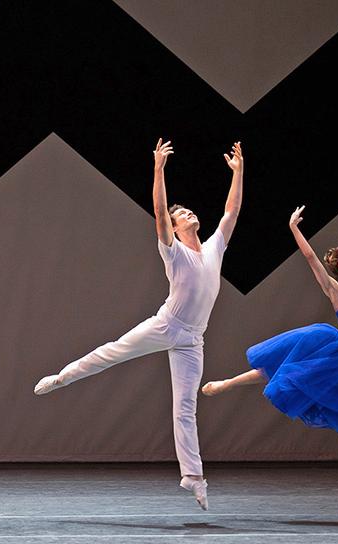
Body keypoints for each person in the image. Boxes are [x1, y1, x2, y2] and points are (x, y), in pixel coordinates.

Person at [34, 139, 244, 510]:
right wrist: (159, 169)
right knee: (110, 354)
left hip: (193, 340)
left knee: (185, 406)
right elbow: (160, 213)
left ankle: (193, 477)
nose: (191, 215)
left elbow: (231, 211)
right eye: (184, 216)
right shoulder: (173, 250)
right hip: (167, 325)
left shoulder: (214, 248)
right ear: (176, 228)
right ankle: (62, 378)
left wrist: (239, 173)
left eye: (192, 212)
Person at [201, 199, 338, 510]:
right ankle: (227, 383)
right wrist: (293, 228)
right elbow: (310, 258)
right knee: (285, 370)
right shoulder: (334, 290)